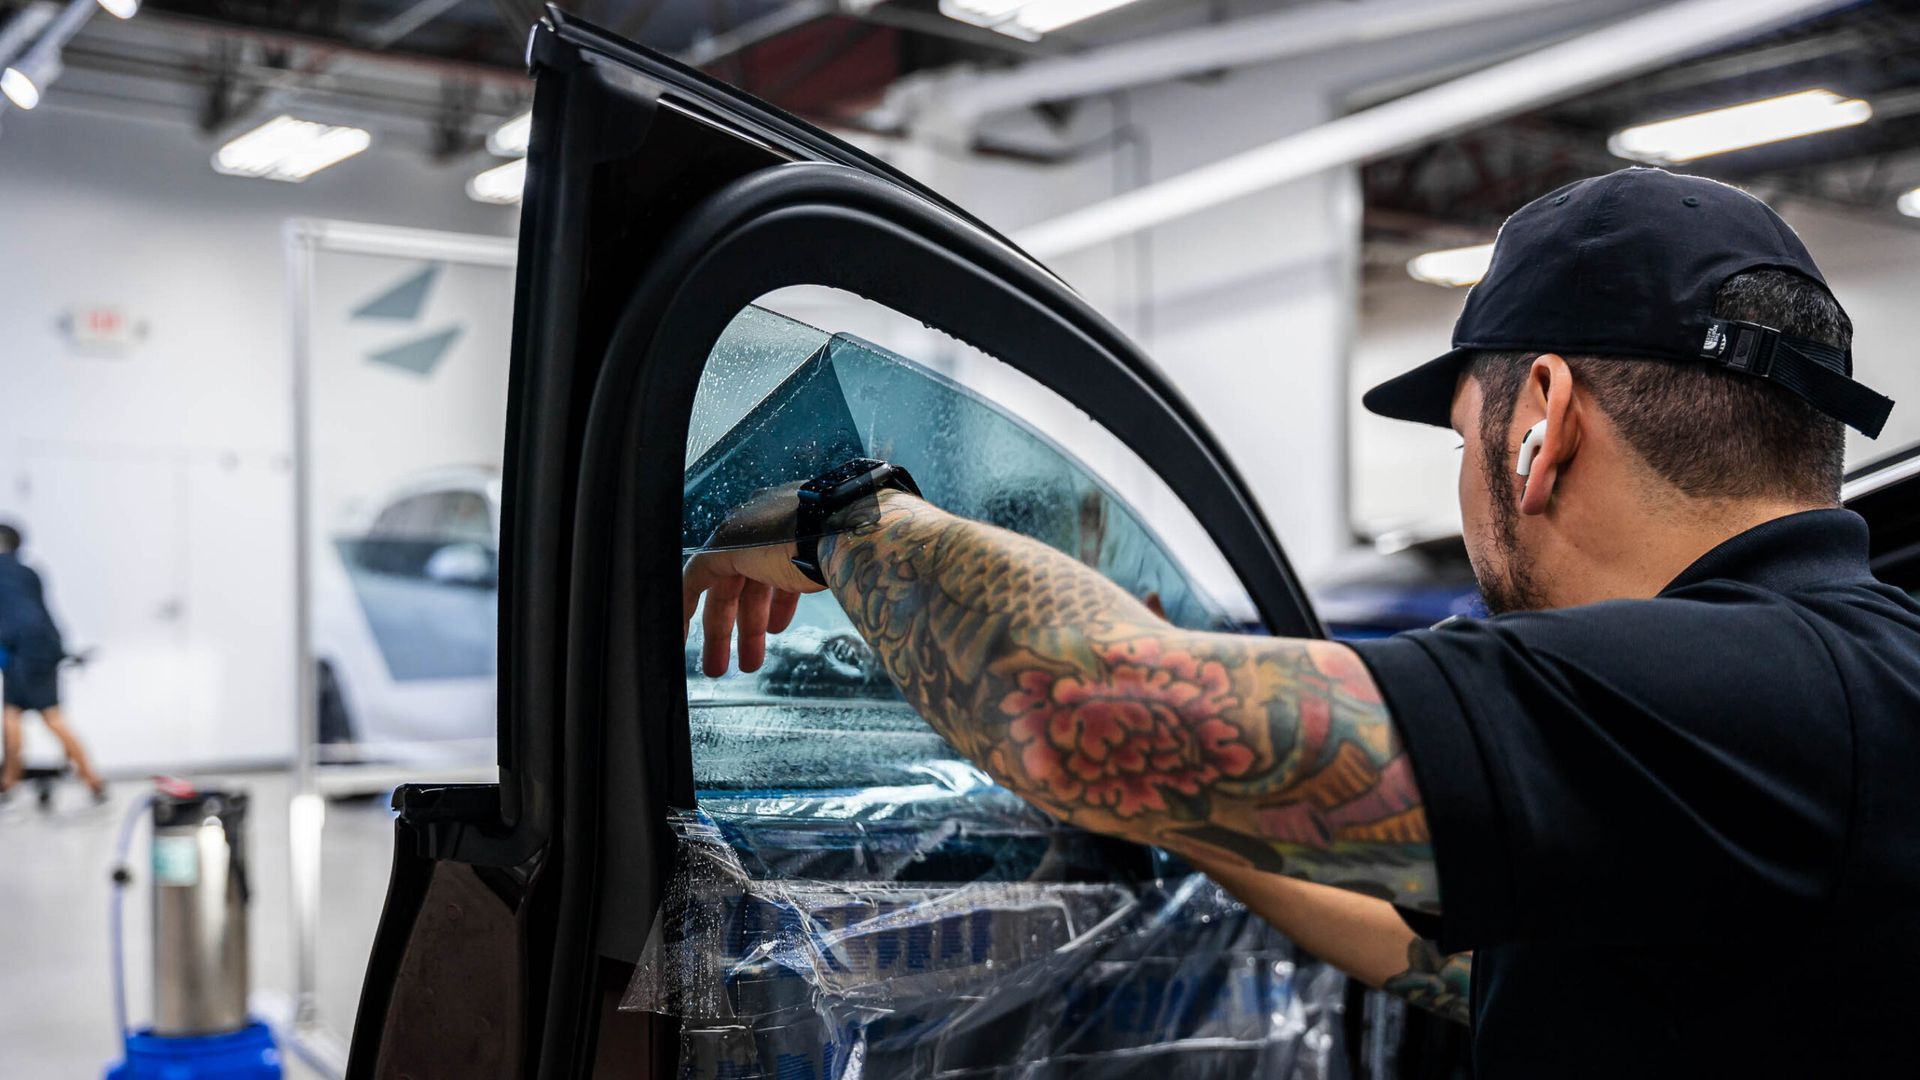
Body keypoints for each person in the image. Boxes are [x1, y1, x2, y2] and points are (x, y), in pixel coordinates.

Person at [682, 167, 1917, 1076]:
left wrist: (847, 518)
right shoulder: (1815, 702)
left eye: (1459, 434)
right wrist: (1194, 805)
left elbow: (1083, 707)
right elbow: (1453, 956)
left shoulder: (1746, 687)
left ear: (1543, 420)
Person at [0, 522, 106, 803]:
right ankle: (91, 780)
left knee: (26, 717)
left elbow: (13, 621)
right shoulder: (29, 572)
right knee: (35, 717)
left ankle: (10, 785)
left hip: (21, 654)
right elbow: (43, 614)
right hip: (43, 651)